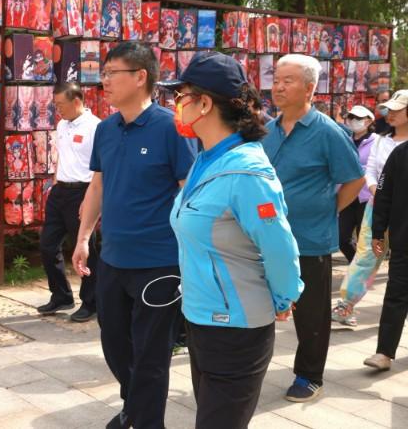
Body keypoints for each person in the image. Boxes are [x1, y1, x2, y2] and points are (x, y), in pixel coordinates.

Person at [160, 51, 303, 429]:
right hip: (200, 318)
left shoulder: (247, 172)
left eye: (180, 96)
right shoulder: (206, 159)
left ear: (205, 103)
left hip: (237, 328)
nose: (175, 105)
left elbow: (279, 246)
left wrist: (284, 296)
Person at [72, 42, 197, 428]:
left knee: (151, 353)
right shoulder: (106, 129)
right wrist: (83, 237)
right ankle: (135, 407)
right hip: (113, 257)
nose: (104, 81)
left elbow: (190, 192)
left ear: (141, 77)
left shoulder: (171, 128)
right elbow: (98, 185)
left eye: (112, 73)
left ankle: (144, 421)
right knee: (114, 343)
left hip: (160, 262)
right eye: (104, 74)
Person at [261, 54, 365, 402]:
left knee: (311, 315)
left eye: (287, 80)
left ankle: (309, 375)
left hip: (309, 239)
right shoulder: (267, 132)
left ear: (309, 88)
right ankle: (251, 367)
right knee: (260, 306)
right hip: (265, 239)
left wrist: (328, 210)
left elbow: (354, 179)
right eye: (276, 80)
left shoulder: (328, 132)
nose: (278, 87)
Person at [333, 92, 408, 328]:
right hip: (378, 207)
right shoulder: (381, 141)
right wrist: (380, 193)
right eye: (389, 109)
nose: (391, 114)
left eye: (397, 109)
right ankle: (345, 305)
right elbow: (371, 171)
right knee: (367, 255)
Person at [37, 83, 101, 322]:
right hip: (61, 190)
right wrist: (55, 183)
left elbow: (101, 167)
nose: (58, 110)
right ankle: (61, 295)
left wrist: (90, 198)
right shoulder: (62, 125)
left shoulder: (96, 127)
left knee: (85, 249)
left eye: (60, 104)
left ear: (76, 101)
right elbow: (62, 156)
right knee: (47, 244)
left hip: (84, 192)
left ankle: (91, 302)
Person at [365, 133, 408, 370]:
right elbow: (384, 193)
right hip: (404, 241)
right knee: (395, 296)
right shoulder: (401, 154)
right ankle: (384, 352)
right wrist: (378, 231)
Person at [337, 105, 377, 263]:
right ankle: (357, 266)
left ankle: (362, 270)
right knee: (341, 238)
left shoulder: (377, 142)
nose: (353, 121)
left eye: (358, 118)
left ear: (368, 121)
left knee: (364, 239)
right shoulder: (344, 140)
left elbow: (377, 167)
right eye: (351, 117)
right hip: (346, 194)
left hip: (366, 197)